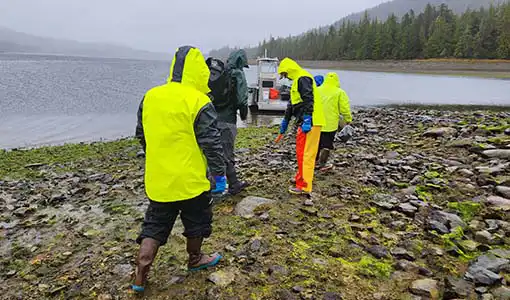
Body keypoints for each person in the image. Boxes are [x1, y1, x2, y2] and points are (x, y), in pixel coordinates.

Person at [132, 45, 226, 293]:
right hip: (191, 180)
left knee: (154, 224)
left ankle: (140, 274)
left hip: (159, 179)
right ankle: (195, 259)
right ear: (200, 72)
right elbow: (212, 143)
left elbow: (142, 135)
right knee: (197, 221)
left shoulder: (151, 96)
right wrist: (218, 175)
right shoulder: (198, 100)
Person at [278, 58, 326, 195]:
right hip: (306, 121)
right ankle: (300, 179)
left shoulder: (303, 78)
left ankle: (304, 186)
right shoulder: (297, 80)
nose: (285, 78)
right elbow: (292, 104)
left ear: (288, 71)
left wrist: (307, 119)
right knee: (301, 153)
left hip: (311, 122)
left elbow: (308, 99)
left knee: (307, 155)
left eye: (285, 75)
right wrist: (285, 121)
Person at [211, 49, 250, 196]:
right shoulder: (237, 74)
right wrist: (245, 115)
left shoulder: (218, 73)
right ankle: (233, 184)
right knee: (227, 153)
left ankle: (213, 182)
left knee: (213, 150)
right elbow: (241, 98)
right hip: (227, 120)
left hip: (212, 118)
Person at [316, 72, 353, 170]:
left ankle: (313, 162)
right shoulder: (339, 92)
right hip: (330, 124)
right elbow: (344, 108)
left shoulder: (317, 90)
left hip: (316, 122)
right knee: (327, 144)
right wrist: (348, 119)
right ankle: (322, 164)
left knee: (317, 143)